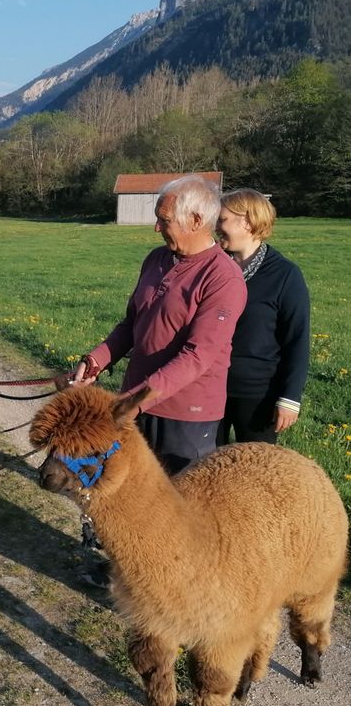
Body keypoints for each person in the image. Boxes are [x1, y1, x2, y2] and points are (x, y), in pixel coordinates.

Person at [69, 174, 247, 588]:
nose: (156, 227)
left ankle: (174, 586)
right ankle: (125, 569)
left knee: (179, 503)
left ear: (197, 219)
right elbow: (133, 324)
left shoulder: (223, 279)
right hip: (136, 404)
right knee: (127, 494)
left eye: (163, 219)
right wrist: (96, 359)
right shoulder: (156, 259)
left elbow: (198, 355)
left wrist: (133, 399)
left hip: (187, 414)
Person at [215, 188, 310, 445]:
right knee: (206, 468)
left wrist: (290, 399)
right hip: (211, 389)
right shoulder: (215, 268)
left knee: (255, 473)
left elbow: (297, 340)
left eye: (222, 219)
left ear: (247, 222)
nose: (216, 226)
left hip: (258, 396)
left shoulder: (285, 275)